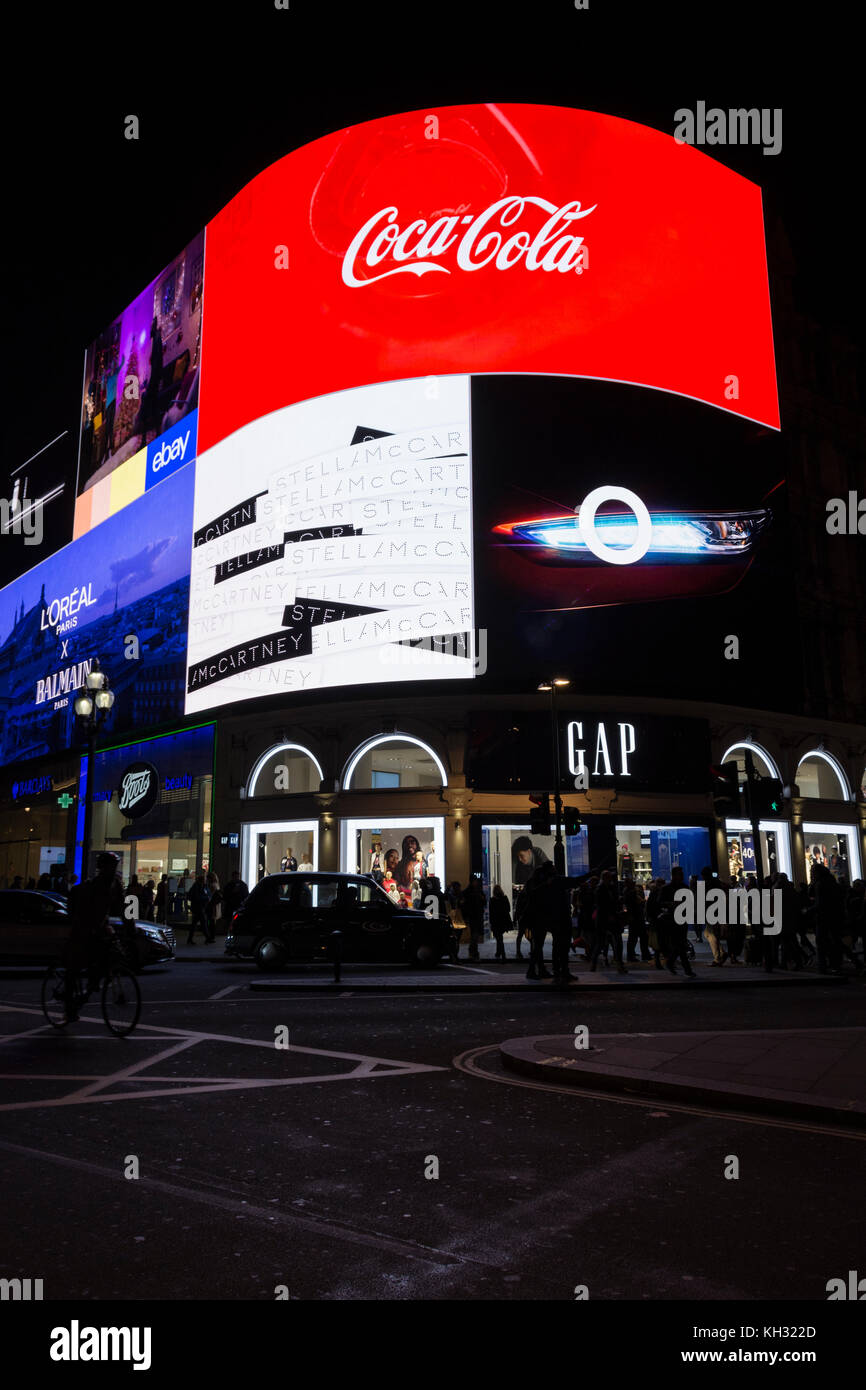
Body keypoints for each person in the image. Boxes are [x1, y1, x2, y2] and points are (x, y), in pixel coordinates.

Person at [62, 852, 125, 1021]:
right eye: (109, 866)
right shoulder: (91, 887)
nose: (112, 869)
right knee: (76, 965)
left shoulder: (116, 885)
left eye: (114, 866)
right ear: (101, 868)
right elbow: (86, 913)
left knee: (111, 954)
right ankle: (69, 1006)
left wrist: (129, 927)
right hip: (84, 927)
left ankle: (93, 982)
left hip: (100, 926)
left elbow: (122, 910)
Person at [658, 866, 696, 977]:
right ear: (674, 875)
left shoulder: (684, 887)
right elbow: (659, 902)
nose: (682, 876)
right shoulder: (666, 888)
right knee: (679, 944)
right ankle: (687, 969)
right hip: (672, 919)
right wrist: (670, 904)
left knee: (680, 944)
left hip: (682, 918)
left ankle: (670, 962)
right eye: (680, 874)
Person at [591, 870, 627, 973]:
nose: (611, 879)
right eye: (609, 877)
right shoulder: (600, 889)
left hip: (609, 917)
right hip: (604, 918)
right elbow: (601, 905)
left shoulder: (609, 887)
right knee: (602, 942)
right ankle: (595, 963)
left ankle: (619, 964)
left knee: (613, 941)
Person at [459, 877, 486, 961]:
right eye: (475, 881)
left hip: (475, 915)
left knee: (475, 934)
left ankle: (474, 952)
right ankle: (473, 952)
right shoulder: (472, 891)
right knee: (475, 934)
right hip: (474, 915)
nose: (476, 883)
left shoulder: (472, 891)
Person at [622, 878, 649, 962]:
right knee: (641, 937)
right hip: (637, 917)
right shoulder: (631, 892)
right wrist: (644, 900)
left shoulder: (626, 891)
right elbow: (640, 902)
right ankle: (643, 954)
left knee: (633, 937)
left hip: (633, 917)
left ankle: (632, 955)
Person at [488, 884, 512, 962]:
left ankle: (503, 954)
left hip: (496, 921)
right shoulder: (504, 898)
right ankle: (498, 953)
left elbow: (491, 913)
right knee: (499, 938)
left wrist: (491, 922)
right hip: (503, 921)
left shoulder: (492, 900)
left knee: (499, 938)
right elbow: (508, 909)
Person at [186, 873, 211, 945]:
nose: (205, 880)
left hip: (201, 907)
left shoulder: (203, 886)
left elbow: (208, 894)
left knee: (195, 924)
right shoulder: (196, 887)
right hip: (198, 908)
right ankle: (207, 938)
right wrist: (206, 898)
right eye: (204, 879)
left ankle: (190, 939)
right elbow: (196, 897)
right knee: (203, 922)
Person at [205, 871, 222, 942]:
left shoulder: (212, 885)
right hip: (215, 905)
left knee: (211, 921)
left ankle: (211, 937)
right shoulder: (217, 884)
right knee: (213, 921)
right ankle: (212, 936)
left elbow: (209, 895)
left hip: (212, 905)